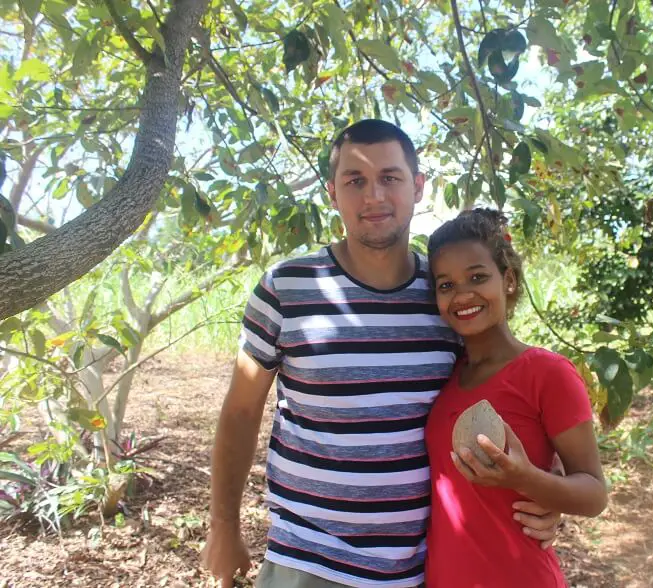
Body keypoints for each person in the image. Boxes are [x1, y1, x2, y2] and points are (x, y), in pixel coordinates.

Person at [201, 119, 561, 588]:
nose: (374, 197)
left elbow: (502, 388)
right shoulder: (287, 288)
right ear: (333, 192)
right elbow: (241, 412)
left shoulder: (449, 296)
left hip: (420, 566)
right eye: (355, 181)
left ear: (417, 186)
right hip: (308, 559)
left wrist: (546, 491)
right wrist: (224, 526)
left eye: (390, 178)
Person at [423, 208, 608, 587]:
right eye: (446, 285)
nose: (462, 295)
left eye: (477, 277)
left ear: (507, 280)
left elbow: (593, 493)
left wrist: (528, 479)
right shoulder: (447, 375)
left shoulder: (548, 373)